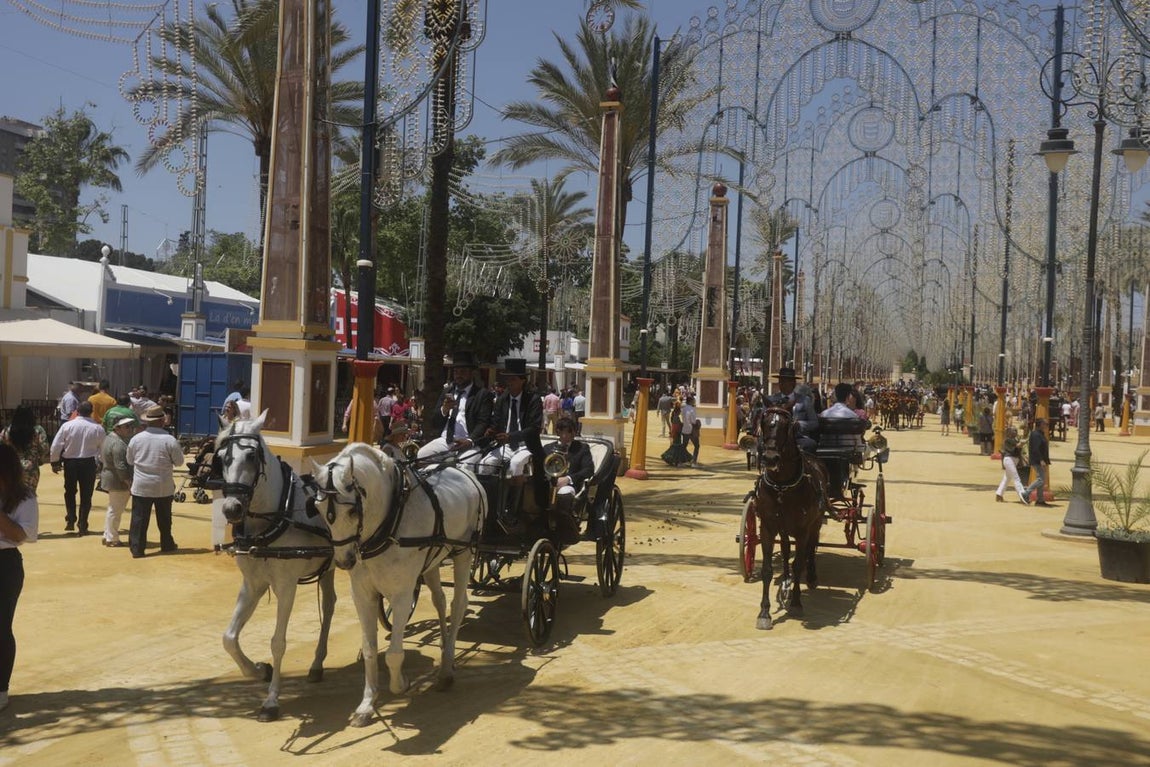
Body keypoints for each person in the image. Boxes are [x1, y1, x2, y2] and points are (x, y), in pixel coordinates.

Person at [0, 443, 38, 713]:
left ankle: (1, 689)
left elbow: (21, 536)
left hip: (5, 564)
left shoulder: (24, 498)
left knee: (1, 628)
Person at [483, 359, 548, 513]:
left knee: (516, 464)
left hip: (526, 446)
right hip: (505, 445)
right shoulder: (502, 399)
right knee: (485, 463)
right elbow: (496, 421)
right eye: (507, 379)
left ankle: (513, 510)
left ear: (522, 381)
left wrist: (511, 436)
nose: (509, 382)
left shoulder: (533, 400)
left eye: (513, 379)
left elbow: (534, 428)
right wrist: (491, 430)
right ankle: (491, 507)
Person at [126, 404, 186, 558]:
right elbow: (179, 462)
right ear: (162, 421)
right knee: (165, 518)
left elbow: (130, 460)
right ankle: (167, 543)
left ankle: (137, 548)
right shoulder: (170, 440)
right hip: (163, 485)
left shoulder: (136, 439)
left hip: (142, 485)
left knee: (139, 519)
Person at [419, 350, 494, 460]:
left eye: (463, 372)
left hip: (469, 442)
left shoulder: (482, 394)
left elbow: (483, 423)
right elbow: (434, 421)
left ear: (471, 373)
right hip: (446, 440)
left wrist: (470, 441)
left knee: (464, 465)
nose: (459, 375)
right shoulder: (447, 391)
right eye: (456, 372)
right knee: (422, 455)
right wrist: (444, 410)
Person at [49, 401, 105, 534]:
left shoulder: (67, 425)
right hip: (88, 463)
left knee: (69, 491)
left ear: (77, 411)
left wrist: (54, 461)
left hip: (71, 463)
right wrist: (102, 463)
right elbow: (103, 448)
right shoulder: (98, 428)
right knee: (86, 495)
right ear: (91, 412)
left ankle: (70, 519)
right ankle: (83, 523)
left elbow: (56, 445)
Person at [544, 417, 594, 543]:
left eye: (569, 432)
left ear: (574, 433)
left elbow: (588, 469)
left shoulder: (582, 449)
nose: (565, 435)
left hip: (569, 485)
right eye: (562, 431)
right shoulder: (548, 448)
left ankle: (565, 528)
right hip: (548, 484)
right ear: (557, 432)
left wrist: (568, 479)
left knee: (564, 494)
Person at [100, 417, 135, 547]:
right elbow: (120, 466)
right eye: (126, 426)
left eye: (130, 426)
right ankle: (112, 538)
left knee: (113, 508)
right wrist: (128, 482)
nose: (129, 429)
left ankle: (107, 534)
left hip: (111, 477)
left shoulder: (109, 438)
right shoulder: (118, 443)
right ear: (117, 428)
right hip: (118, 481)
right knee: (116, 510)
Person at [0, 405, 50, 493]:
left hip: (12, 467)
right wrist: (39, 459)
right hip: (30, 468)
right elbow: (44, 448)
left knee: (12, 494)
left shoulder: (7, 431)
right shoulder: (37, 430)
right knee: (29, 495)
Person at [1021, 418, 1051, 506]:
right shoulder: (1035, 435)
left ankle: (1040, 500)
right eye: (1045, 424)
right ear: (1040, 424)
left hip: (1041, 460)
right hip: (1037, 460)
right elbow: (1035, 449)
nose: (1046, 426)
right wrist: (1041, 460)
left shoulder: (1040, 434)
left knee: (1041, 480)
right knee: (1041, 480)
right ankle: (1026, 493)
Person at [995, 427, 1028, 504]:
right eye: (1013, 430)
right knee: (1016, 478)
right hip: (1009, 460)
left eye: (1016, 430)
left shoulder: (1016, 440)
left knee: (1007, 478)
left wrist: (1022, 461)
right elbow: (1017, 446)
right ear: (1009, 432)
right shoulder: (1008, 440)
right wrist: (1022, 442)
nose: (1015, 431)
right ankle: (1023, 496)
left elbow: (1019, 452)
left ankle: (999, 494)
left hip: (1014, 460)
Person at [661, 400, 691, 467]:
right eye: (680, 411)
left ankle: (675, 461)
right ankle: (677, 462)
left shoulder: (674, 416)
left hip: (675, 434)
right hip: (677, 435)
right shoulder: (676, 417)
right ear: (678, 411)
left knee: (675, 448)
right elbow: (676, 427)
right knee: (677, 448)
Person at [681, 394, 701, 467]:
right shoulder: (692, 409)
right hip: (692, 430)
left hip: (685, 428)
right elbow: (693, 421)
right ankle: (693, 462)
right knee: (697, 446)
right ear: (691, 401)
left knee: (684, 446)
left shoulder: (683, 409)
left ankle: (680, 462)